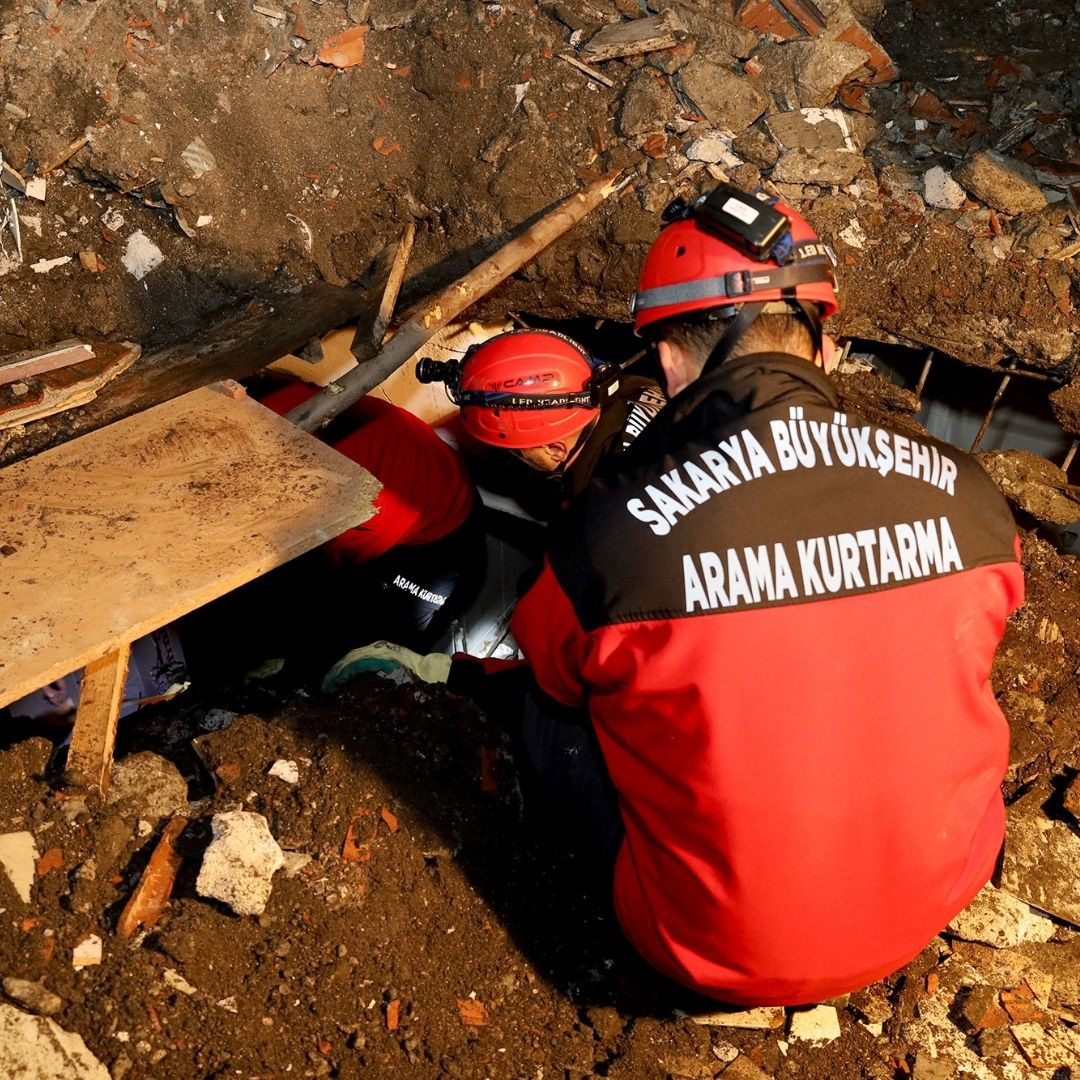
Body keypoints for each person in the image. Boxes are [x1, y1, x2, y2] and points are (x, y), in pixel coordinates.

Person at [507, 184, 1026, 1005]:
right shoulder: (969, 497)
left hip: (713, 951)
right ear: (827, 353)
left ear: (672, 362)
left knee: (545, 708)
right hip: (935, 896)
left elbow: (545, 666)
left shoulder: (611, 538)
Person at [180, 385, 486, 684]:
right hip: (389, 488)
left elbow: (305, 578)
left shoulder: (294, 497)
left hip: (441, 537)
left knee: (379, 668)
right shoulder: (251, 407)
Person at [417, 328, 666, 532]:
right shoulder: (637, 386)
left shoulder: (600, 507)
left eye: (517, 453)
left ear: (556, 450)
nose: (513, 458)